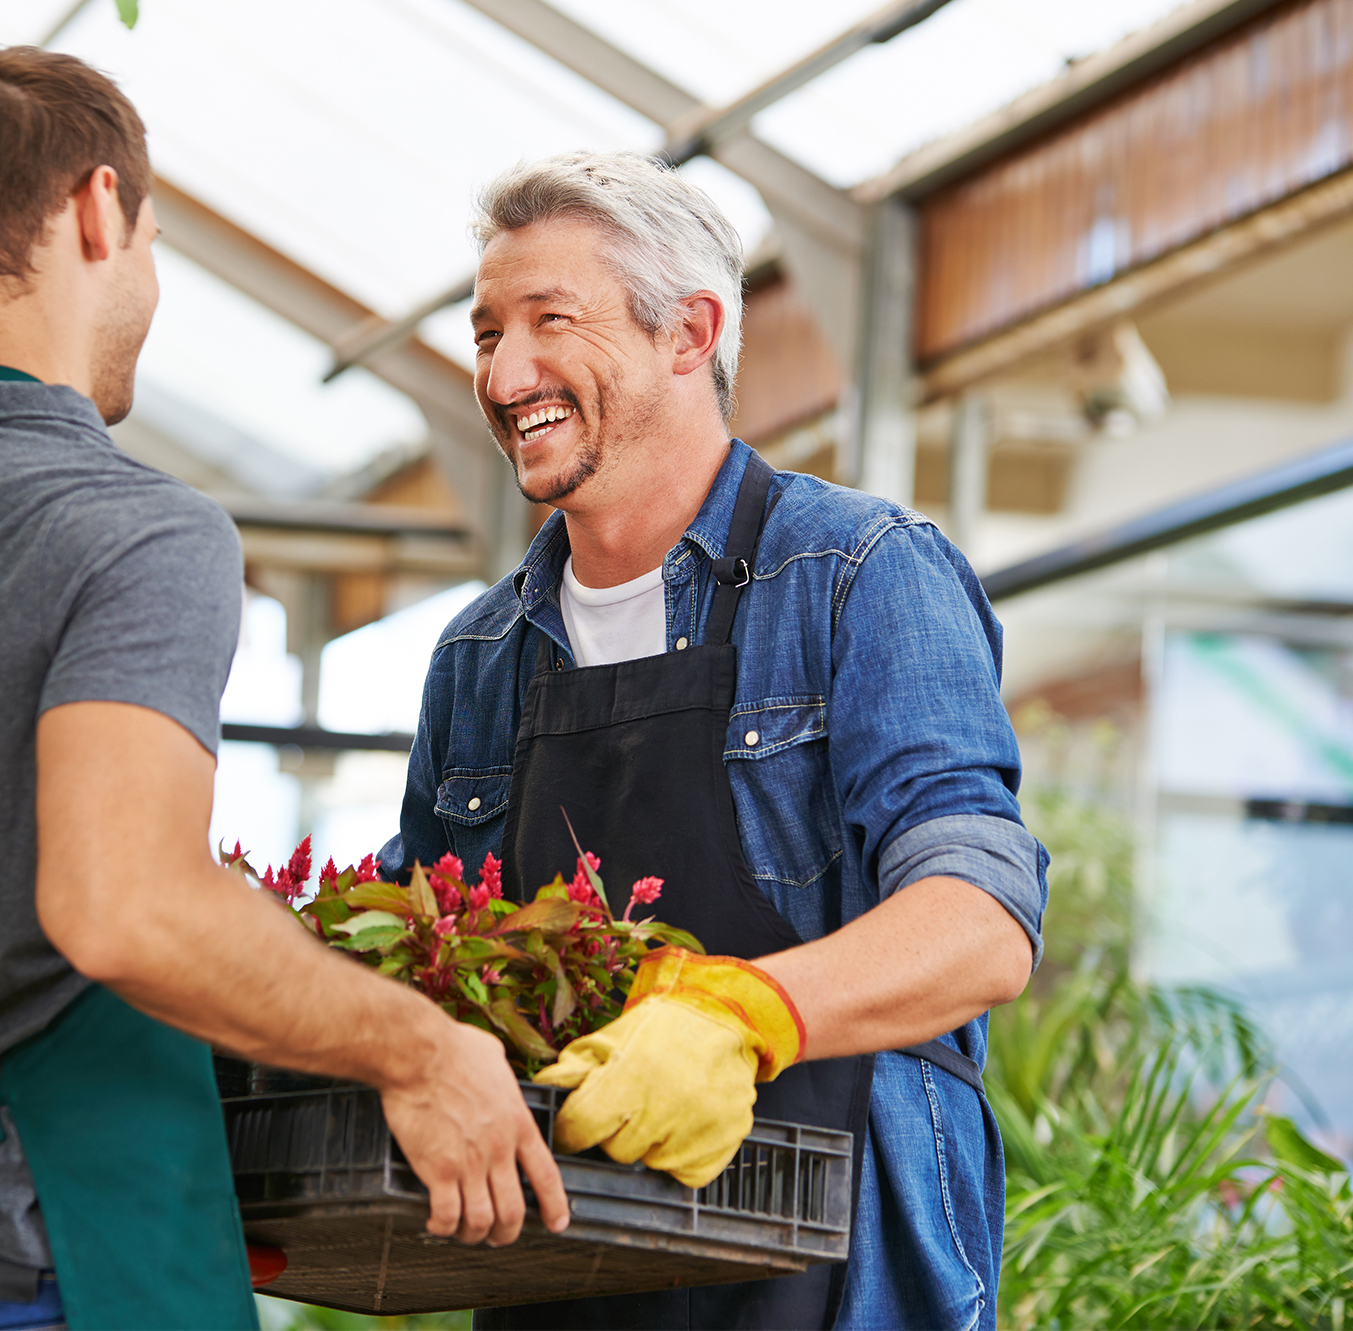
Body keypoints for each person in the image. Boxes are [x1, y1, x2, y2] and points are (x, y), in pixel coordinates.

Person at [0, 48, 568, 1331]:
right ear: (99, 211)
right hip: (69, 1271)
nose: (146, 279)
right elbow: (122, 904)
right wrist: (424, 1046)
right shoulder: (134, 532)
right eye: (147, 240)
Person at [381, 151, 1046, 1330]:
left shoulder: (856, 576)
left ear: (688, 333)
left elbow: (978, 920)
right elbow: (418, 963)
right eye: (486, 333)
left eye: (549, 320)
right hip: (563, 1273)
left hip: (835, 1272)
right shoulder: (478, 657)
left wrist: (739, 1014)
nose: (503, 370)